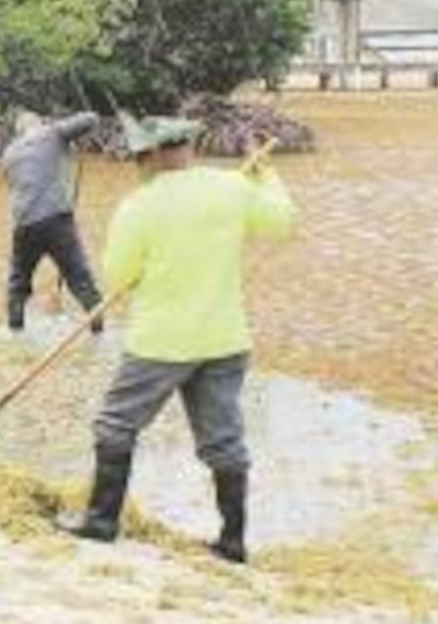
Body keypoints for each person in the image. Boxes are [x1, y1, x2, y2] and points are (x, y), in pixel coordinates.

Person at [56, 116, 298, 564]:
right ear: (187, 148)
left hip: (160, 341)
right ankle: (232, 542)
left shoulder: (138, 206)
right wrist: (265, 170)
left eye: (138, 157)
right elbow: (282, 222)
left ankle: (102, 521)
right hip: (225, 338)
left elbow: (119, 277)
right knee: (223, 441)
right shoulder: (232, 188)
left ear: (150, 156)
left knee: (115, 425)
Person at [0, 110, 106, 331]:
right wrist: (59, 132)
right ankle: (98, 331)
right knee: (81, 279)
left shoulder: (8, 154)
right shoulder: (50, 133)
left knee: (18, 284)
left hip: (24, 225)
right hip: (55, 220)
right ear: (39, 123)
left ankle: (15, 329)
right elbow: (91, 119)